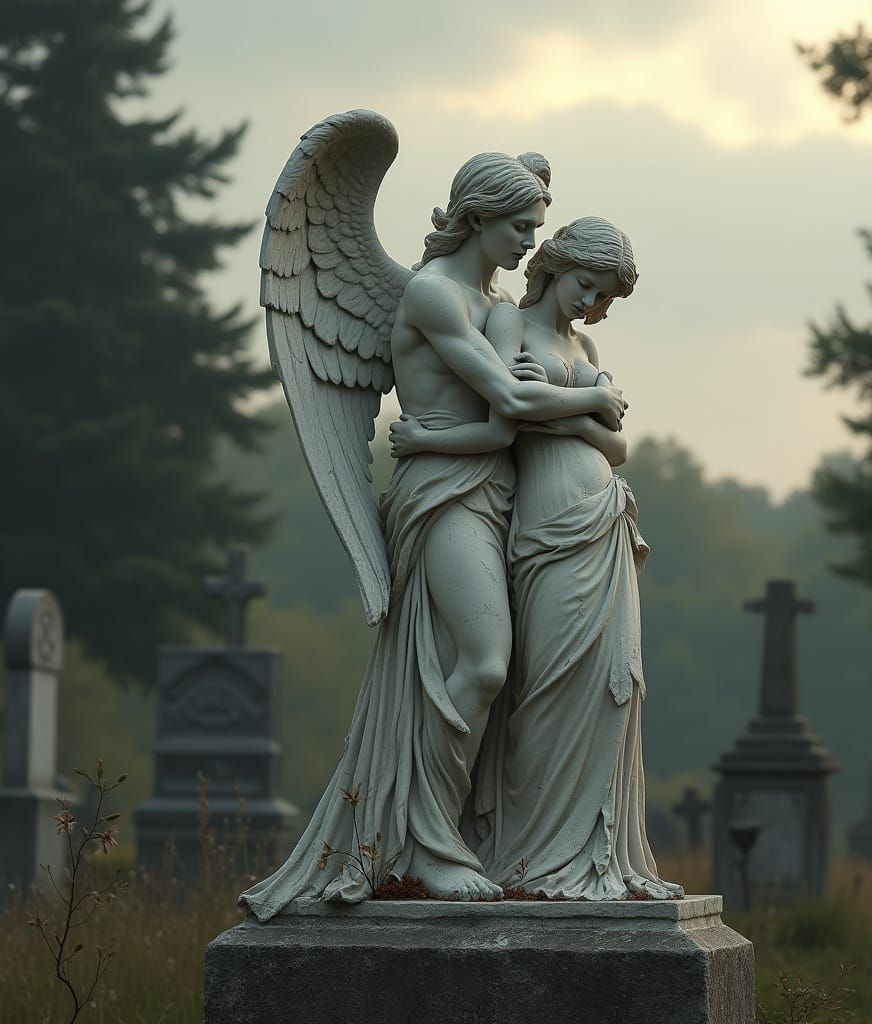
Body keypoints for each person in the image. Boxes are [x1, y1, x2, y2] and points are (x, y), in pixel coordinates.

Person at [240, 162, 626, 920]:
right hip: (444, 497)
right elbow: (512, 400)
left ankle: (458, 837)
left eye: (536, 230)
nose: (528, 243)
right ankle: (426, 846)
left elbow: (507, 420)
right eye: (519, 227)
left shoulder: (496, 305)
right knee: (483, 665)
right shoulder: (432, 293)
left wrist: (503, 429)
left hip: (493, 491)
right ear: (479, 216)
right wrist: (596, 397)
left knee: (499, 674)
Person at [389, 217, 684, 899]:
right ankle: (527, 855)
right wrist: (596, 401)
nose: (590, 303)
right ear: (553, 265)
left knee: (610, 686)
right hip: (546, 523)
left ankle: (593, 858)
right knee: (546, 685)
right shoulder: (507, 327)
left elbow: (619, 449)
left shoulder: (584, 343)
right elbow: (509, 417)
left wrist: (580, 412)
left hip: (602, 518)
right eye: (586, 284)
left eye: (604, 295)